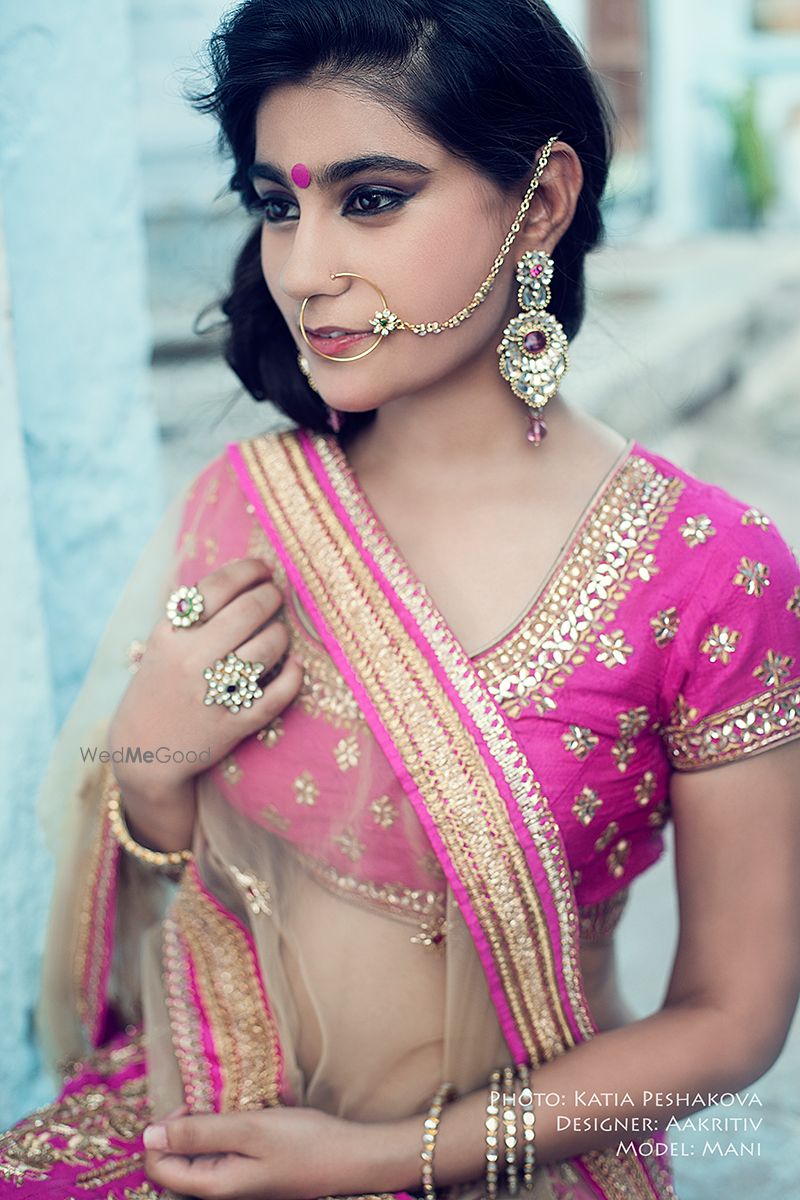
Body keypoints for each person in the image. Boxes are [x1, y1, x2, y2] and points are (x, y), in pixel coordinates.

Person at [2, 1, 799, 1198]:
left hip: (508, 1162)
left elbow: (731, 1020)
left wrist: (374, 1163)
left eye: (369, 199)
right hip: (216, 1125)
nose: (302, 268)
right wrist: (154, 766)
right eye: (279, 203)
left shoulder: (710, 573)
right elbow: (184, 902)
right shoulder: (251, 503)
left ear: (537, 204)